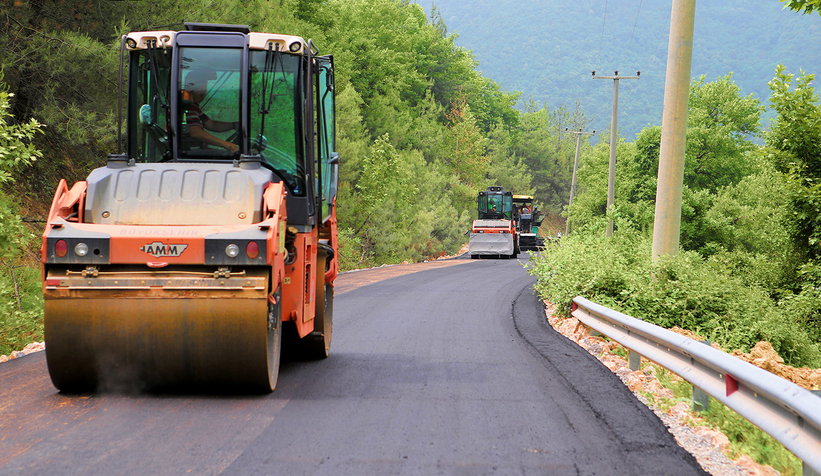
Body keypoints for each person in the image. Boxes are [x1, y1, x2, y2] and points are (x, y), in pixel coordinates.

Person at [181, 69, 239, 153]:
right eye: (205, 84)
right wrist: (225, 144)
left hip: (192, 150)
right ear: (201, 86)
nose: (206, 88)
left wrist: (234, 125)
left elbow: (211, 124)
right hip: (189, 152)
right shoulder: (188, 106)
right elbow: (196, 133)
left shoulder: (193, 107)